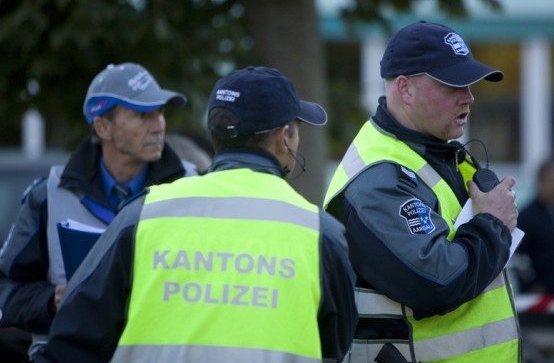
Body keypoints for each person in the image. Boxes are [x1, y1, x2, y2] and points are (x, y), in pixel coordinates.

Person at [34, 65, 357, 363]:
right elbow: (337, 344)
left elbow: (74, 337)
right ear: (284, 135)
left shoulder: (145, 214)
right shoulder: (318, 232)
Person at [324, 21, 521, 362]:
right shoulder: (378, 177)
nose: (469, 97)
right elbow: (438, 282)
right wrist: (491, 221)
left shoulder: (441, 152)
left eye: (470, 83)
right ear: (405, 89)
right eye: (452, 85)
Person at [0, 62, 198, 358]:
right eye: (142, 115)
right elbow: (8, 288)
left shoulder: (195, 187)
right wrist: (51, 301)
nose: (159, 124)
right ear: (103, 127)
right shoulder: (48, 196)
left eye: (161, 112)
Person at [517, 156, 554, 293]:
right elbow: (519, 258)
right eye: (551, 181)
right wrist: (532, 283)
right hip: (536, 297)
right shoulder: (526, 216)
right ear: (541, 181)